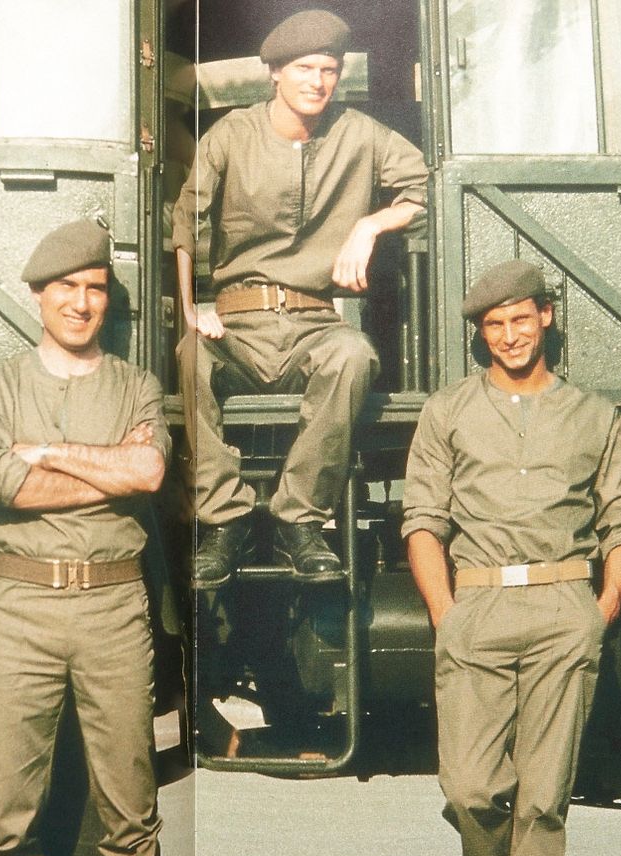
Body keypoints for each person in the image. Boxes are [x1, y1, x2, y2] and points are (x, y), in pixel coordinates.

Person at [402, 260, 621, 856]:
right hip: (476, 606)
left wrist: (599, 612)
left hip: (563, 607)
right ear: (483, 335)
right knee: (472, 790)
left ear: (546, 317)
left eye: (521, 319)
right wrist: (446, 614)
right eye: (494, 325)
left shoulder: (596, 416)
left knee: (543, 798)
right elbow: (423, 522)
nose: (510, 335)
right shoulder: (447, 412)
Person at [0, 220, 175, 856]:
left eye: (95, 290)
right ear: (40, 296)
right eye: (67, 290)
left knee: (129, 803)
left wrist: (41, 454)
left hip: (113, 605)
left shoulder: (136, 384)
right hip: (20, 604)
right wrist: (103, 472)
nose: (82, 304)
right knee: (4, 805)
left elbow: (147, 472)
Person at [173, 8, 429, 587]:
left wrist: (368, 227)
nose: (318, 81)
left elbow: (423, 189)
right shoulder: (233, 132)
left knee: (355, 357)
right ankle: (225, 520)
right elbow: (185, 219)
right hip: (237, 324)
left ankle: (299, 520)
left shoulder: (359, 133)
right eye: (304, 69)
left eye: (330, 70)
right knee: (192, 358)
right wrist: (192, 309)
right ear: (275, 75)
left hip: (316, 325)